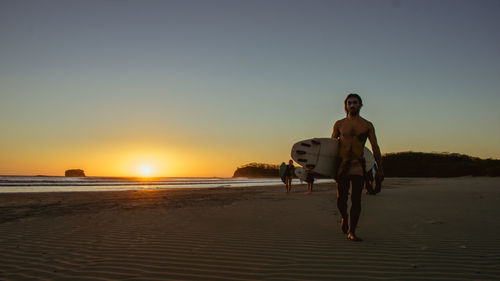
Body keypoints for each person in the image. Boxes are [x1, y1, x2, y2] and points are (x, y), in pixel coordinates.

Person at [332, 93, 384, 241]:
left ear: (360, 105)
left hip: (357, 165)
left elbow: (375, 147)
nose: (352, 105)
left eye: (355, 103)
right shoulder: (339, 124)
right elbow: (331, 146)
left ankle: (352, 231)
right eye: (350, 103)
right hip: (342, 165)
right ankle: (344, 217)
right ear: (346, 105)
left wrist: (380, 169)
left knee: (356, 200)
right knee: (341, 200)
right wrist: (325, 167)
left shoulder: (367, 125)